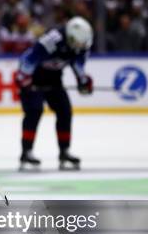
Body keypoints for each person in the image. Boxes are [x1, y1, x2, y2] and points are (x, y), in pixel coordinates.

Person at [15, 16, 94, 170]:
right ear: (70, 38)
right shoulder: (51, 41)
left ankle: (65, 151)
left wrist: (83, 81)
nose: (80, 47)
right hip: (34, 77)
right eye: (78, 43)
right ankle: (26, 152)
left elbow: (78, 65)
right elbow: (29, 60)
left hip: (54, 79)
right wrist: (24, 79)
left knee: (65, 111)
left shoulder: (81, 44)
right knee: (34, 111)